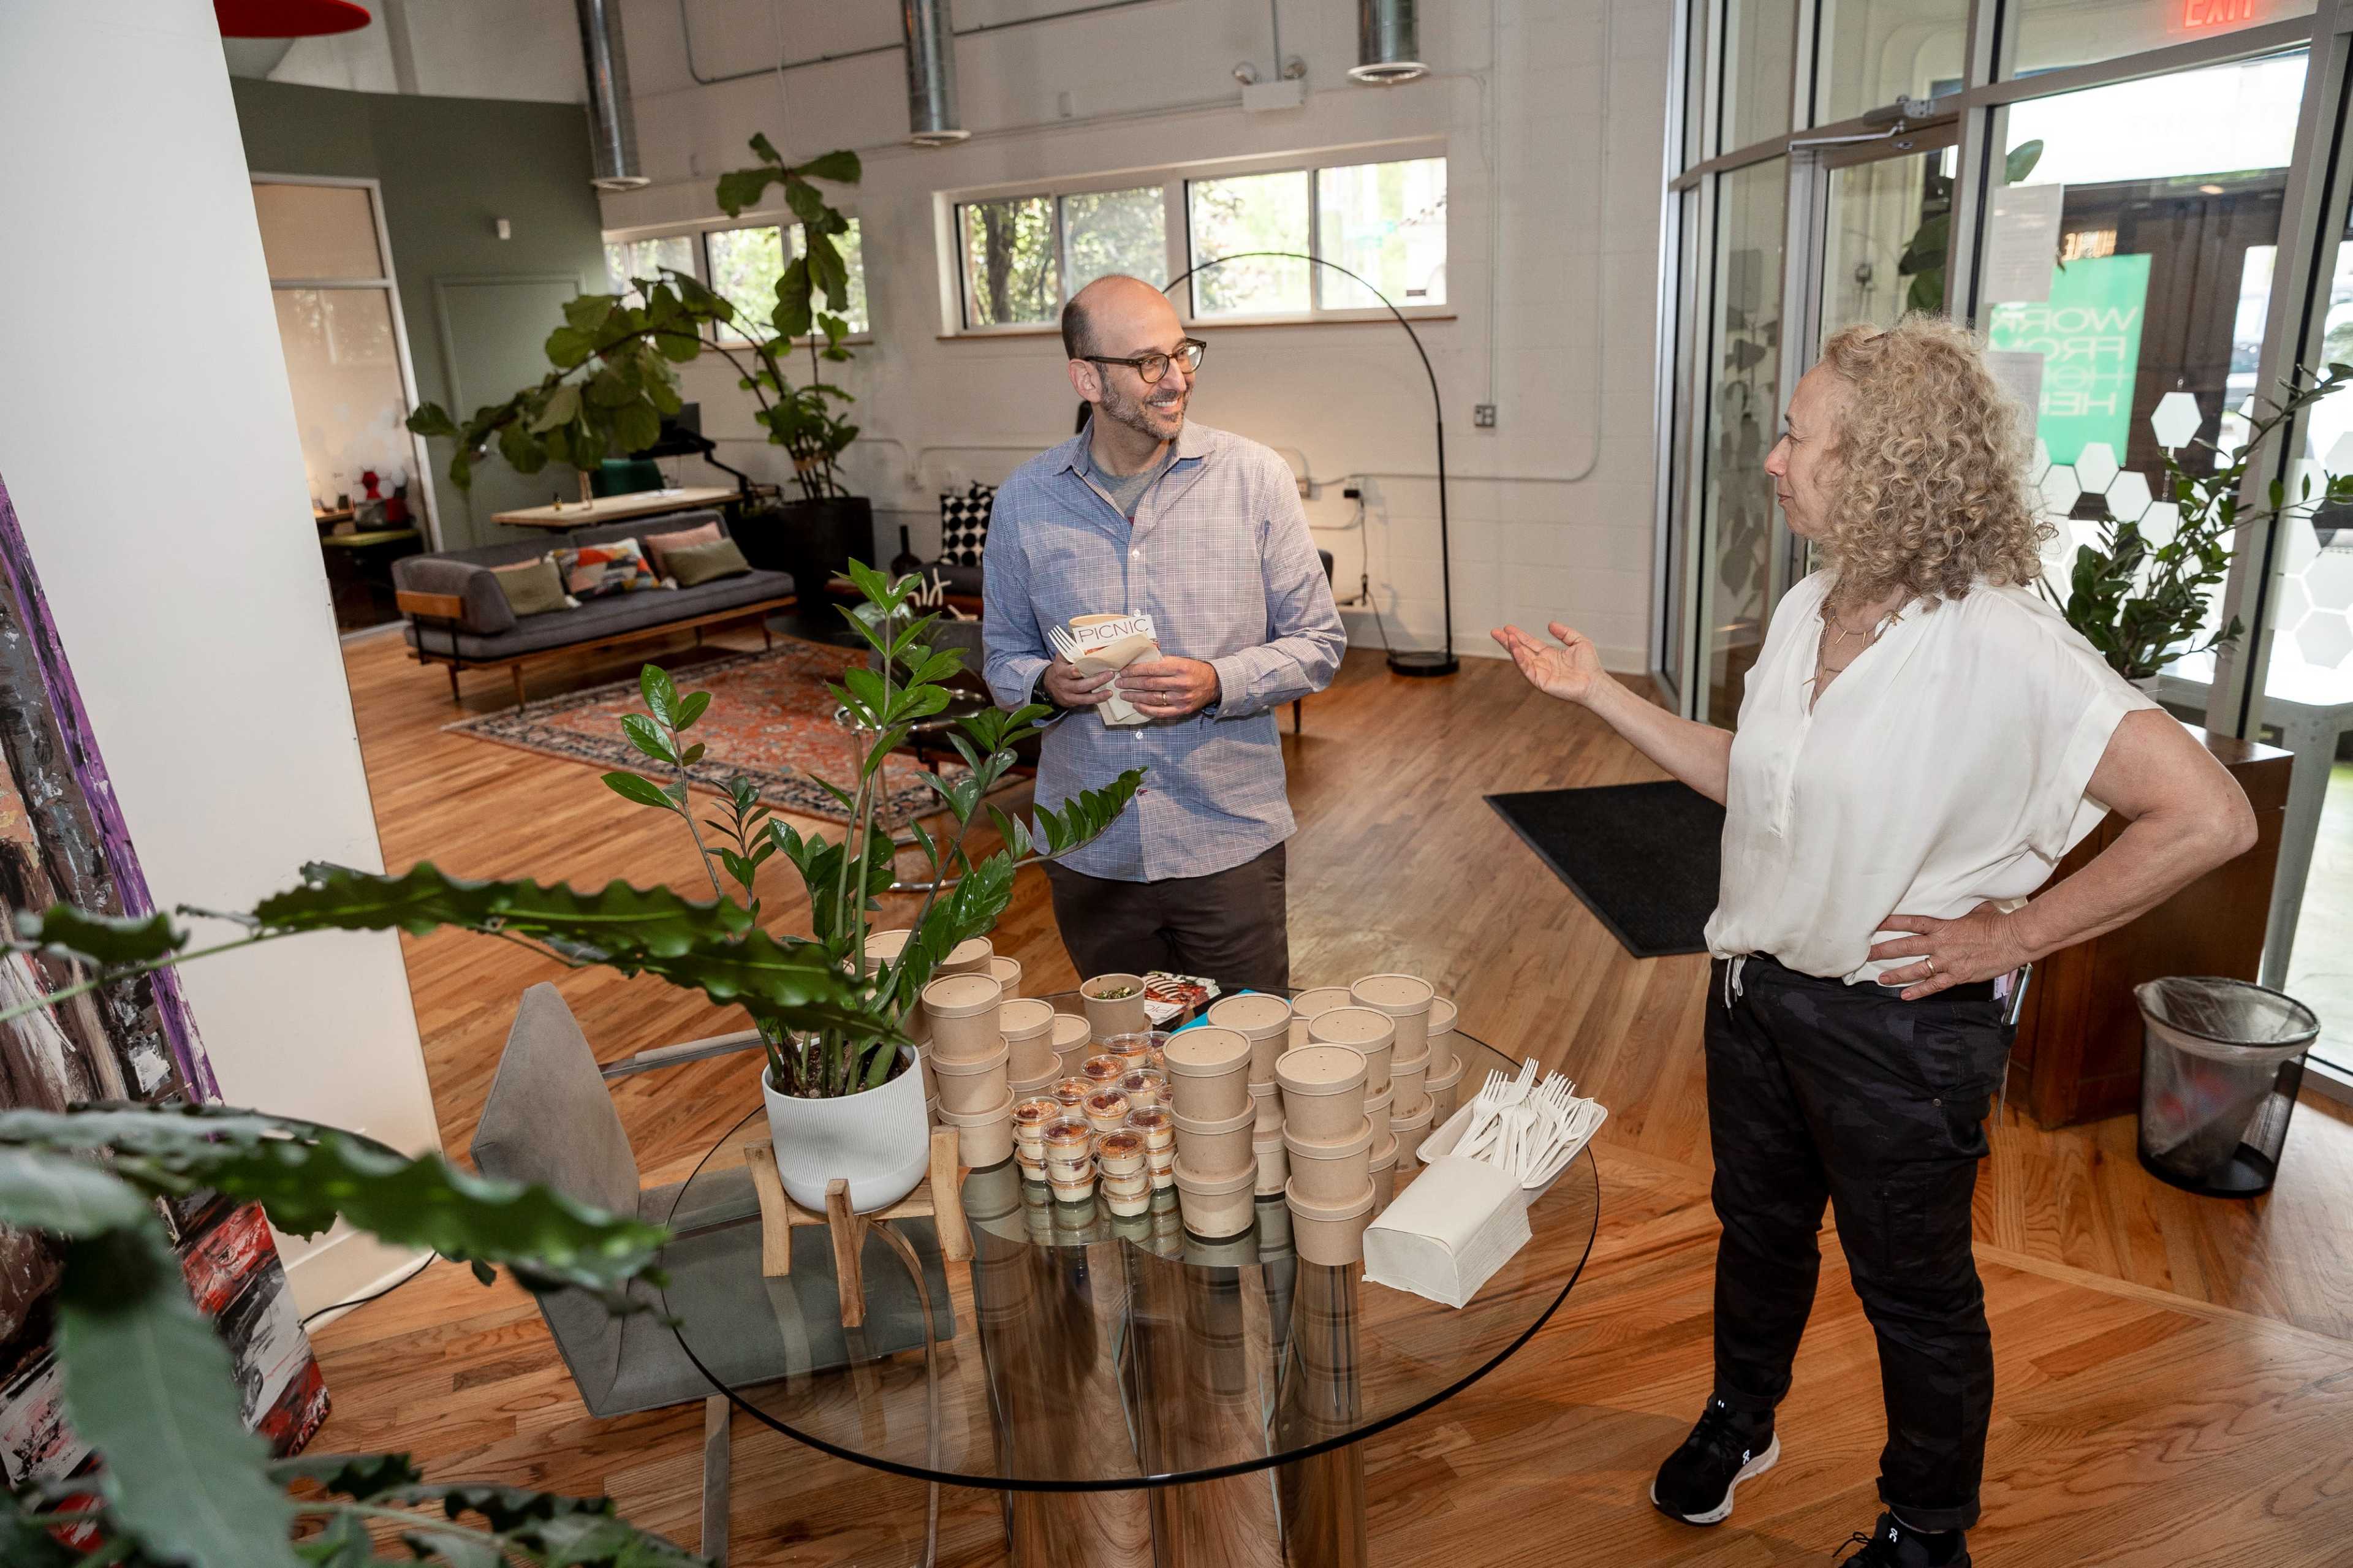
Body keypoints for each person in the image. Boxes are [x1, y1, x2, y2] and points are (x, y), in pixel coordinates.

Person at [1494, 316, 2257, 1568]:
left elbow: (2208, 814)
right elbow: (1759, 779)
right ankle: (1745, 1420)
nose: (1776, 460)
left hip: (1899, 1027)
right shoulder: (1810, 605)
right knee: (1758, 1228)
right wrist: (1599, 697)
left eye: (1799, 437)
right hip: (1753, 993)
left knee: (1914, 1291)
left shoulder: (2006, 643)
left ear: (1888, 462)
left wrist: (2013, 930)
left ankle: (1927, 1528)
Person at [982, 275, 1344, 992]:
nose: (1176, 378)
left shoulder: (1255, 479)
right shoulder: (1025, 500)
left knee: (1246, 1053)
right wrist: (1044, 684)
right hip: (1090, 848)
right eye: (1149, 362)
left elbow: (1320, 642)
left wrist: (1218, 681)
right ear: (1087, 377)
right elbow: (1000, 654)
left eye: (1183, 354)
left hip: (1226, 839)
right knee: (1127, 1067)